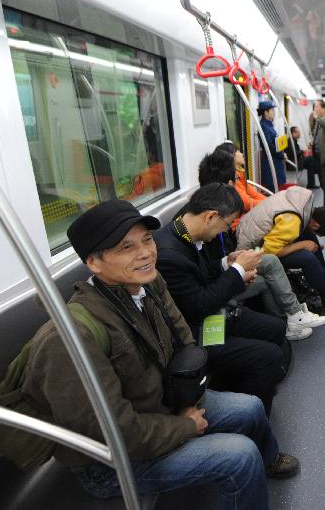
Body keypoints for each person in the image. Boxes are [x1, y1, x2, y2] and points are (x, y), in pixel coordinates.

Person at [22, 199, 299, 508]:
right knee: (239, 456)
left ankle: (268, 458)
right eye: (126, 247)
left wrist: (188, 398)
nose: (145, 253)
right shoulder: (73, 336)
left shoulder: (149, 284)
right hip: (112, 461)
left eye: (147, 239)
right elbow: (115, 432)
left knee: (249, 408)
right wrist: (185, 426)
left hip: (161, 405)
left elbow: (183, 338)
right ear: (94, 263)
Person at [154, 185, 291, 414]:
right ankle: (251, 415)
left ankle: (251, 384)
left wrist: (226, 263)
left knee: (276, 327)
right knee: (270, 355)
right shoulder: (170, 254)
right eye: (227, 225)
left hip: (206, 315)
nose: (223, 231)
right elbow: (198, 306)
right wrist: (237, 271)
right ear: (211, 216)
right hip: (191, 333)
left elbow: (198, 275)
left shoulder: (183, 233)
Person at [196, 155, 325, 340]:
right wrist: (238, 271)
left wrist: (229, 261)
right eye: (237, 176)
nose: (240, 179)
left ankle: (289, 320)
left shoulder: (213, 219)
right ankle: (295, 315)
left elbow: (216, 262)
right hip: (218, 289)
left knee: (272, 269)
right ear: (229, 182)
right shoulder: (204, 231)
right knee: (275, 263)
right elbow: (204, 286)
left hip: (227, 267)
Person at [236, 186, 325, 314]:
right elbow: (269, 252)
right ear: (316, 224)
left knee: (309, 237)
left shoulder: (302, 201)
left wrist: (308, 243)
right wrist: (302, 245)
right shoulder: (293, 220)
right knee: (307, 258)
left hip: (255, 235)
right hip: (249, 251)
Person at [214, 142, 266, 216]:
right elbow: (246, 203)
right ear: (231, 156)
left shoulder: (240, 175)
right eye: (238, 151)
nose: (242, 154)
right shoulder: (232, 179)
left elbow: (255, 195)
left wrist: (271, 201)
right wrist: (270, 204)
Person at [257, 101, 286, 192]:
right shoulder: (264, 126)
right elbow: (269, 146)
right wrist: (282, 155)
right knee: (272, 189)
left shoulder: (268, 125)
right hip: (271, 163)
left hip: (274, 161)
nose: (274, 112)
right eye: (272, 110)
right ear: (266, 113)